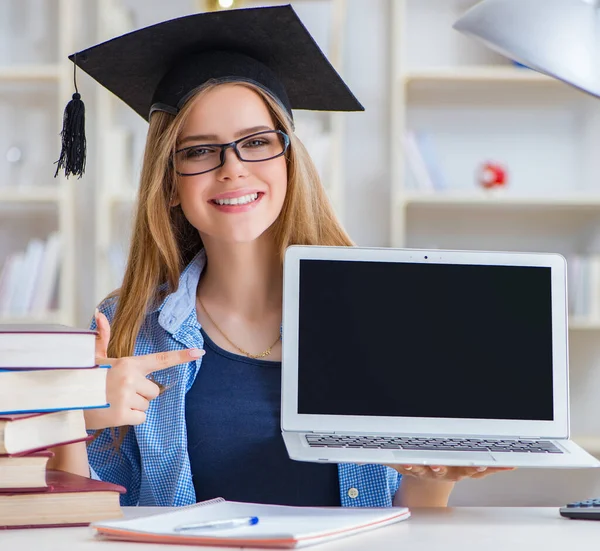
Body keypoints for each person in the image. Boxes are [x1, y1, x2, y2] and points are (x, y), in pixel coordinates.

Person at [49, 5, 513, 508]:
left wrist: (439, 468)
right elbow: (76, 520)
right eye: (200, 151)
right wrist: (76, 416)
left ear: (290, 163)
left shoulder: (379, 315)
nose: (232, 169)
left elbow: (410, 518)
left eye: (256, 142)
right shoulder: (128, 328)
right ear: (169, 185)